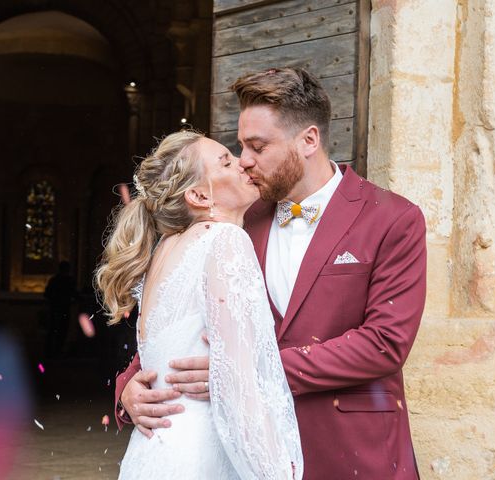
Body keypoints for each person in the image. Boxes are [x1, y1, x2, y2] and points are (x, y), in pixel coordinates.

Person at [116, 68, 427, 479]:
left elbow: (385, 343)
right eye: (241, 146)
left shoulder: (392, 219)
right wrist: (130, 387)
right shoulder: (235, 220)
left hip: (351, 450)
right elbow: (180, 316)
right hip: (239, 454)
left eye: (257, 146)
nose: (244, 160)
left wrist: (244, 371)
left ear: (308, 140)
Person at [95, 130, 303, 479]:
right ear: (198, 194)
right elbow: (240, 387)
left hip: (153, 454)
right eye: (226, 161)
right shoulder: (225, 240)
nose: (242, 163)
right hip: (203, 455)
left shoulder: (164, 250)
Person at [44, 261, 77, 357]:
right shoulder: (68, 280)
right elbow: (74, 293)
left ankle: (50, 351)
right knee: (62, 330)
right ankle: (57, 350)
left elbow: (47, 294)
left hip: (55, 308)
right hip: (63, 309)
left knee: (53, 329)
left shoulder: (54, 280)